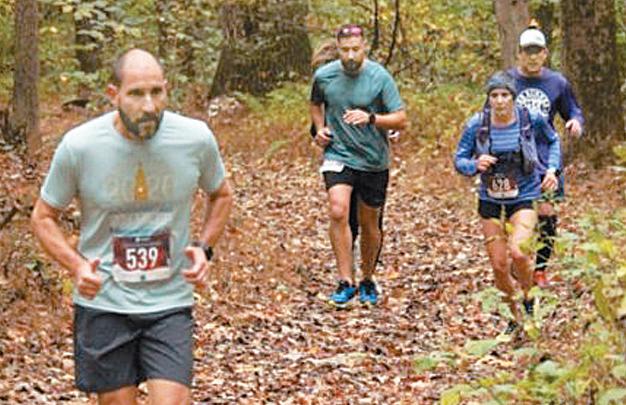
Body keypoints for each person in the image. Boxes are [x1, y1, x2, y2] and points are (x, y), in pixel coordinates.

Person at [30, 49, 234, 404]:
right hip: (105, 301)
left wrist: (203, 248)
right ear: (114, 95)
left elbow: (221, 194)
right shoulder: (80, 146)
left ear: (167, 89)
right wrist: (77, 266)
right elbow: (43, 216)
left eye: (157, 92)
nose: (149, 105)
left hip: (170, 300)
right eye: (137, 94)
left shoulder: (194, 138)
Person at [454, 71, 561, 333]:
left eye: (504, 95)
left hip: (524, 194)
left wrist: (551, 170)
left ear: (513, 97)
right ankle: (513, 318)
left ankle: (529, 300)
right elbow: (459, 159)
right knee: (499, 266)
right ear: (488, 98)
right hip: (490, 198)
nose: (500, 101)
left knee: (519, 252)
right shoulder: (477, 124)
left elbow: (553, 140)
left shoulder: (530, 119)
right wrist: (475, 164)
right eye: (494, 95)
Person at [310, 24, 407, 306]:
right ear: (337, 49)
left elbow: (401, 118)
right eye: (345, 50)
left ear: (364, 47)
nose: (350, 55)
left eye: (355, 49)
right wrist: (319, 128)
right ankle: (345, 280)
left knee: (369, 222)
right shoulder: (324, 76)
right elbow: (315, 104)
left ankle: (367, 278)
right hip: (338, 154)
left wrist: (372, 119)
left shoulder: (379, 77)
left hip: (373, 159)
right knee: (338, 210)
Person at [508, 23, 585, 287]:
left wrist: (575, 123)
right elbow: (489, 114)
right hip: (513, 157)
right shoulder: (508, 81)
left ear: (545, 53)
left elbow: (573, 110)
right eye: (527, 52)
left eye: (537, 52)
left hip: (545, 156)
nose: (532, 57)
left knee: (546, 211)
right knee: (515, 209)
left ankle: (540, 268)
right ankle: (517, 256)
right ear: (519, 53)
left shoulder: (557, 83)